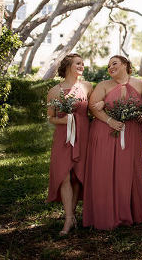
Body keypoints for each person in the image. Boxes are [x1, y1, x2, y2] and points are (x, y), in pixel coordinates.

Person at [82, 55, 142, 230]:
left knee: (129, 170)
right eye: (109, 65)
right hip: (105, 131)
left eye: (114, 63)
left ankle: (132, 212)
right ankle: (106, 214)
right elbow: (93, 107)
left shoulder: (141, 84)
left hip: (132, 132)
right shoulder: (103, 85)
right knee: (106, 170)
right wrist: (110, 121)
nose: (110, 67)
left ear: (125, 64)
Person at [46, 53, 92, 235]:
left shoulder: (87, 87)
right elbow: (51, 117)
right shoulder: (54, 91)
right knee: (64, 175)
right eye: (78, 63)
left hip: (83, 135)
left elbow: (95, 109)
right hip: (63, 137)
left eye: (82, 63)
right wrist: (64, 121)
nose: (82, 66)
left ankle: (72, 216)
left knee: (77, 175)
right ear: (67, 67)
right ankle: (68, 218)